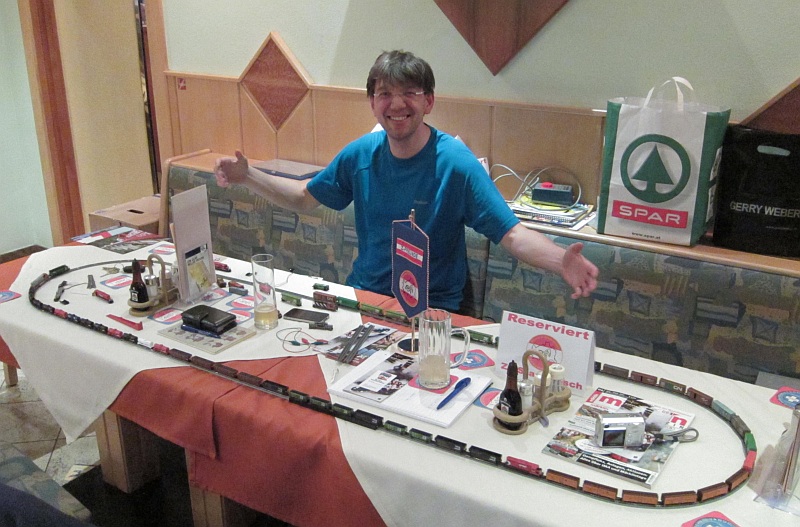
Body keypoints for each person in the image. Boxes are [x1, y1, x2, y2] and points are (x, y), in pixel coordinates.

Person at [215, 50, 598, 311]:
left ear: (428, 101)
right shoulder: (360, 155)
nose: (397, 104)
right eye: (385, 94)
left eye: (409, 93)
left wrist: (560, 260)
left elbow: (511, 234)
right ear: (372, 103)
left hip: (436, 309)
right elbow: (303, 197)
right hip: (366, 298)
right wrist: (248, 175)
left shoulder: (456, 164)